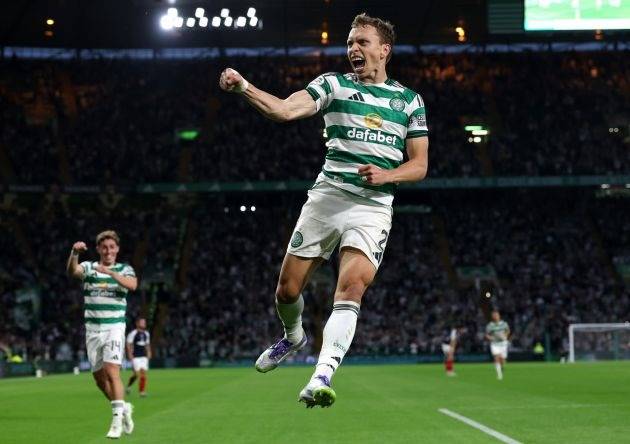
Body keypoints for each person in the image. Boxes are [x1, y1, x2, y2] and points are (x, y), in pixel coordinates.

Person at [219, 13, 429, 408]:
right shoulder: (334, 84)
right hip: (327, 198)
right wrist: (244, 86)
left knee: (352, 287)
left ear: (384, 50)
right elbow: (284, 110)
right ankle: (293, 335)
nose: (353, 49)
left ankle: (322, 375)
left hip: (373, 207)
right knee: (287, 291)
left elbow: (419, 165)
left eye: (362, 42)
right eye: (350, 43)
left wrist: (387, 175)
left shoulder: (409, 101)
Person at [66, 230, 137, 438]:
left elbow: (133, 285)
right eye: (104, 247)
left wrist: (111, 273)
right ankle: (123, 409)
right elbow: (72, 271)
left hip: (114, 328)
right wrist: (74, 253)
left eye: (112, 247)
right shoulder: (89, 267)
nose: (108, 251)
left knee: (112, 371)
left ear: (117, 249)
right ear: (98, 249)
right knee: (99, 380)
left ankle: (116, 423)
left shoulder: (125, 269)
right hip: (92, 330)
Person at [126, 318, 152, 397]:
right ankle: (128, 386)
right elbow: (128, 344)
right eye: (142, 322)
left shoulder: (146, 334)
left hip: (143, 356)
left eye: (144, 322)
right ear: (137, 323)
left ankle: (142, 391)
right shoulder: (133, 333)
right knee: (136, 374)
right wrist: (129, 354)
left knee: (143, 373)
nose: (144, 323)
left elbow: (147, 344)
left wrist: (149, 352)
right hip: (135, 356)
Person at [485, 310, 510, 380]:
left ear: (499, 316)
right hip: (495, 344)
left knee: (503, 359)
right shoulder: (490, 325)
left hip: (503, 343)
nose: (495, 316)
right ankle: (499, 374)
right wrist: (490, 338)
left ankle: (502, 368)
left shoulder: (504, 324)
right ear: (492, 317)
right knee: (496, 358)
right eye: (494, 315)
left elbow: (508, 331)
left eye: (496, 315)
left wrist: (505, 335)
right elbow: (487, 334)